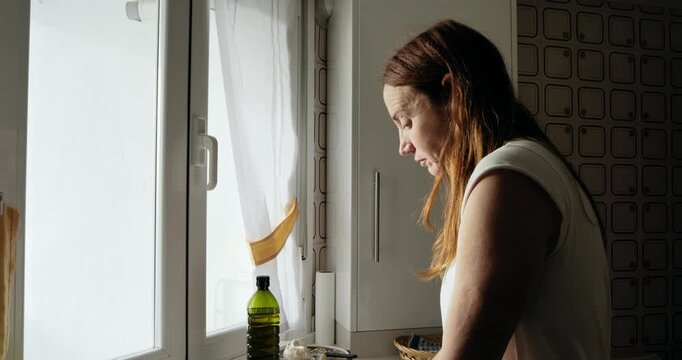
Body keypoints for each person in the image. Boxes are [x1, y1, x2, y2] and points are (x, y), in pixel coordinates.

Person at [382, 19, 610, 359]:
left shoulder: (508, 176)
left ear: (454, 95)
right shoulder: (525, 165)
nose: (404, 146)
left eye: (406, 122)